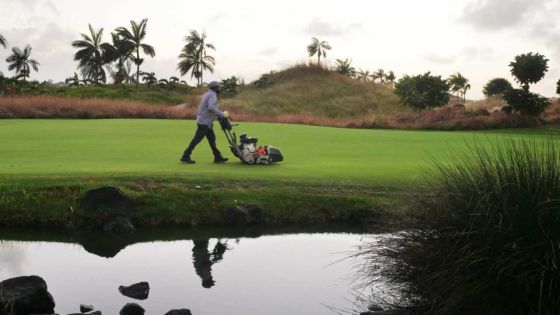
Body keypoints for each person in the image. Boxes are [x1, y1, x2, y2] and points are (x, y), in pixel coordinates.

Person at [180, 81, 229, 164]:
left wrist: (216, 114)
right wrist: (221, 114)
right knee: (197, 139)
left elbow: (206, 107)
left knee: (212, 139)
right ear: (215, 88)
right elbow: (211, 107)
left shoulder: (206, 94)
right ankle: (185, 155)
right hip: (205, 122)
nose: (219, 89)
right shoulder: (213, 95)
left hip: (204, 121)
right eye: (218, 87)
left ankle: (217, 156)